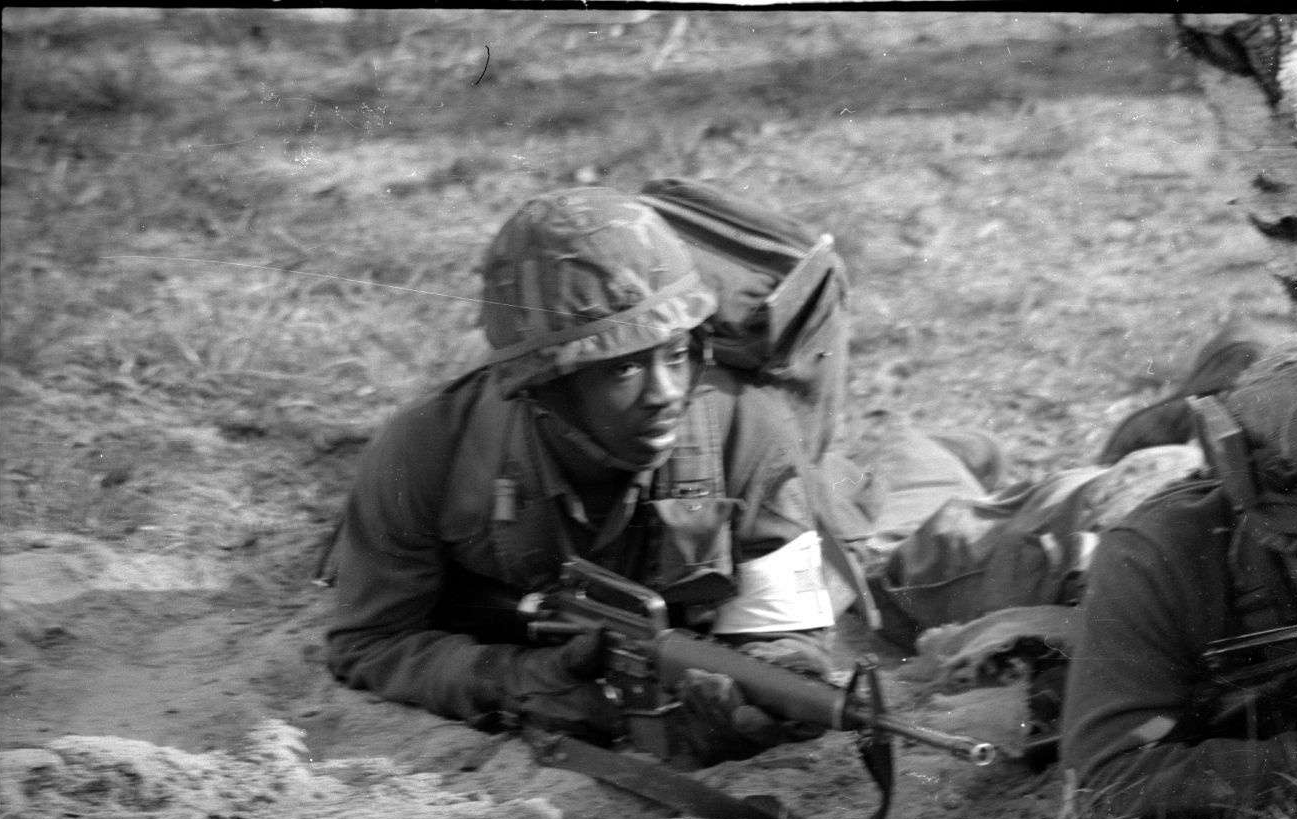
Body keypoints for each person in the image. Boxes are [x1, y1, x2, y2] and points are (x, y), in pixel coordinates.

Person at [325, 186, 995, 765]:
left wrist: (780, 679)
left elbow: (780, 629)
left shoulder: (745, 427)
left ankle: (948, 453)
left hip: (801, 496)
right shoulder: (427, 451)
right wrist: (520, 678)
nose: (665, 391)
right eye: (622, 369)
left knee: (899, 535)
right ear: (544, 388)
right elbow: (370, 641)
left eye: (677, 353)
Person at [1058, 356, 1297, 819]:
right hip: (1090, 527)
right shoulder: (1155, 559)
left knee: (1245, 352)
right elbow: (1112, 775)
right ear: (1269, 535)